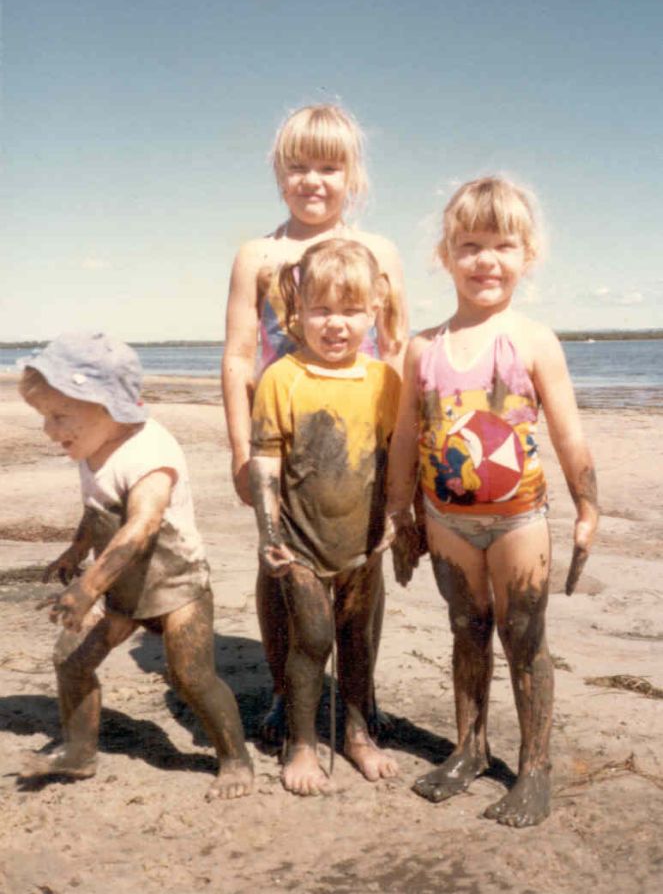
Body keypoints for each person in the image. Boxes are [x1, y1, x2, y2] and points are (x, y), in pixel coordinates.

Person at [382, 177, 599, 827]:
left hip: (519, 522)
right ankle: (468, 749)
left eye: (502, 244)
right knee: (464, 629)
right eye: (469, 244)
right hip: (445, 521)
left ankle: (533, 769)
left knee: (523, 635)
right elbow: (404, 437)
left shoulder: (532, 341)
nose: (486, 260)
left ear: (526, 255)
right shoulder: (422, 347)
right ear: (444, 256)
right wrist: (400, 515)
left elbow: (567, 433)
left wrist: (588, 509)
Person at [222, 103, 407, 743]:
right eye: (298, 166)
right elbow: (239, 356)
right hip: (282, 436)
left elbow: (398, 347)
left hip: (362, 438)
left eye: (328, 167)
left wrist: (404, 453)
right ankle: (281, 689)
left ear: (350, 176)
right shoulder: (259, 254)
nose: (313, 181)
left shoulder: (377, 250)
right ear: (280, 173)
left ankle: (362, 690)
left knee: (365, 565)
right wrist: (240, 451)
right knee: (279, 566)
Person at [18, 332, 253, 800]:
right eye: (44, 417)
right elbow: (99, 507)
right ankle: (79, 752)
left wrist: (87, 587)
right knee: (71, 661)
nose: (50, 430)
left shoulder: (149, 453)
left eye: (60, 416)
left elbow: (141, 527)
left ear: (107, 407)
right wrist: (74, 550)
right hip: (124, 591)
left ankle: (235, 759)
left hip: (175, 587)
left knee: (191, 676)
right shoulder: (89, 444)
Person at [249, 238, 402, 795]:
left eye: (350, 310)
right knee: (312, 639)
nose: (336, 324)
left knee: (358, 638)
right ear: (297, 312)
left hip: (362, 541)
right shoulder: (281, 378)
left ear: (373, 311)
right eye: (321, 310)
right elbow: (265, 461)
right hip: (300, 542)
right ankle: (302, 743)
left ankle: (359, 734)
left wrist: (395, 516)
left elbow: (391, 457)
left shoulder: (384, 380)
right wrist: (268, 533)